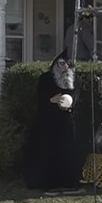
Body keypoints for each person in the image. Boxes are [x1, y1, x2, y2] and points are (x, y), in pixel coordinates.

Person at [23, 50, 80, 190]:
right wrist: (51, 100)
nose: (64, 67)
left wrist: (70, 105)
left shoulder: (73, 81)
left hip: (66, 121)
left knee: (66, 151)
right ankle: (47, 182)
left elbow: (77, 97)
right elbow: (39, 98)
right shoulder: (46, 78)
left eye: (67, 64)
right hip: (48, 121)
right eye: (61, 63)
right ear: (55, 65)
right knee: (47, 151)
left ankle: (67, 182)